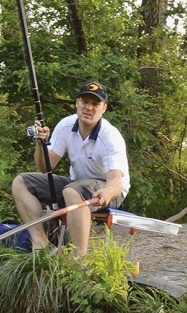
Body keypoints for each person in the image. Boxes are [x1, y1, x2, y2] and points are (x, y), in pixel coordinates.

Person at [10, 80, 130, 258]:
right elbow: (45, 168)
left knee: (72, 192)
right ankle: (40, 244)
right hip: (75, 185)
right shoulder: (66, 125)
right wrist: (40, 143)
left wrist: (107, 193)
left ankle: (77, 258)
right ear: (77, 103)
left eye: (95, 104)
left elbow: (116, 183)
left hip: (108, 189)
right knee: (21, 182)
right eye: (84, 102)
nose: (88, 107)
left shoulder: (110, 136)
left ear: (103, 108)